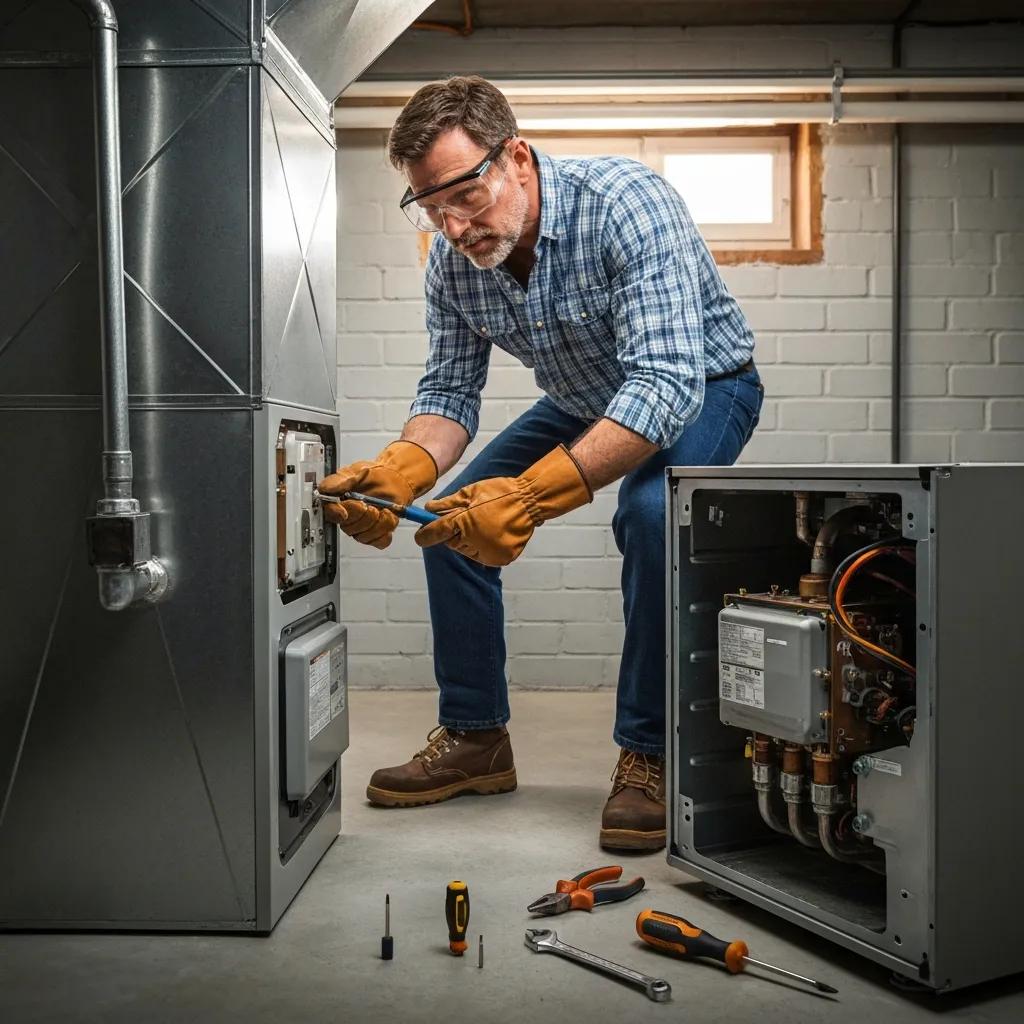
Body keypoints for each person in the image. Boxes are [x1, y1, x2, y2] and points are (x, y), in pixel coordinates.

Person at [319, 76, 763, 851]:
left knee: (652, 515)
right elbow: (449, 392)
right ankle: (476, 737)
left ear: (516, 156)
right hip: (583, 397)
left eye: (465, 193)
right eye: (430, 205)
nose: (454, 225)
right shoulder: (454, 268)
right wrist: (404, 470)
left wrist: (529, 497)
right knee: (449, 525)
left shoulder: (624, 201)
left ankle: (649, 756)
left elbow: (663, 383)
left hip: (704, 384)